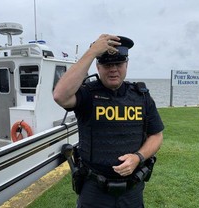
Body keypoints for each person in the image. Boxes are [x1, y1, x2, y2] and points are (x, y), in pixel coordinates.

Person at [53, 34, 164, 208]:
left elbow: (156, 135)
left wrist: (138, 157)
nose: (113, 69)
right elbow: (60, 96)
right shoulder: (87, 94)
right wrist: (91, 52)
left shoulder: (141, 95)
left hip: (132, 189)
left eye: (118, 63)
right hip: (94, 190)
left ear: (126, 64)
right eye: (106, 64)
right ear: (98, 66)